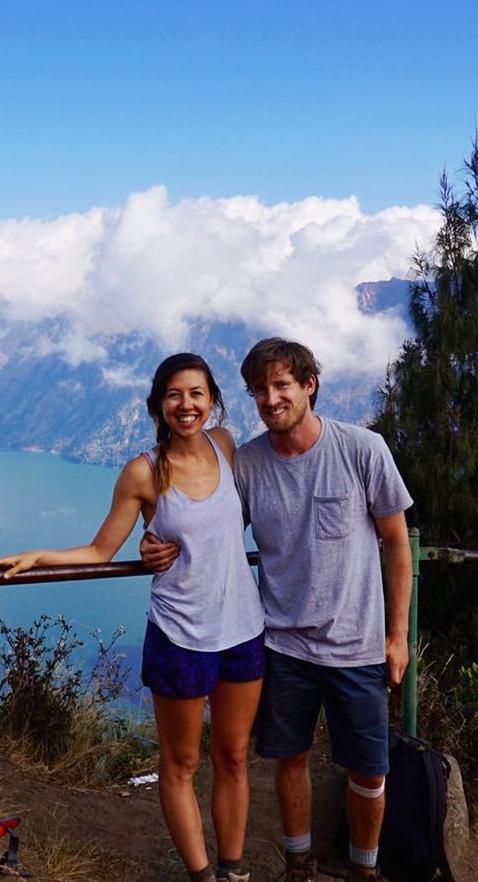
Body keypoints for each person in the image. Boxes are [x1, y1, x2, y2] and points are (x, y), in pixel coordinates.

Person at [0, 353, 265, 882]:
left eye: (197, 393)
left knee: (235, 756)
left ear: (212, 400)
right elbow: (98, 550)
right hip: (180, 633)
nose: (187, 405)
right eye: (175, 395)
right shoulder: (144, 470)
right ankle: (203, 876)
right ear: (158, 403)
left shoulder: (225, 447)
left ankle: (235, 871)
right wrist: (37, 555)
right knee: (180, 765)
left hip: (243, 630)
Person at [152, 338, 412, 882]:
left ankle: (364, 869)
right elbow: (212, 525)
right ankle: (300, 866)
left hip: (356, 644)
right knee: (288, 759)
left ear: (308, 385)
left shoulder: (363, 449)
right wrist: (155, 541)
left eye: (282, 386)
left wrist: (396, 636)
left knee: (369, 771)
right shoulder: (245, 462)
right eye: (259, 390)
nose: (271, 399)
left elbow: (396, 541)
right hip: (281, 644)